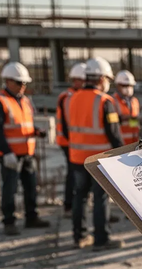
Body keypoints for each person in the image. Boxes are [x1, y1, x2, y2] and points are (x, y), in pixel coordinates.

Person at [67, 57, 125, 251]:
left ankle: (79, 236)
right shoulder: (105, 101)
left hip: (76, 158)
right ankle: (101, 239)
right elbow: (114, 134)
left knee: (80, 197)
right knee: (100, 199)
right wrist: (122, 156)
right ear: (101, 79)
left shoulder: (72, 97)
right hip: (97, 161)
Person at [0, 61, 50, 236]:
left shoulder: (24, 101)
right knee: (10, 189)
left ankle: (31, 217)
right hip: (11, 155)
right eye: (19, 82)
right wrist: (6, 153)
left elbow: (24, 126)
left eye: (24, 83)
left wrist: (37, 132)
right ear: (7, 81)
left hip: (27, 154)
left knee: (31, 187)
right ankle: (9, 222)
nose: (23, 86)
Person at [56, 62, 86, 218]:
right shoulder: (68, 97)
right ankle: (69, 206)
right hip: (69, 143)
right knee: (74, 176)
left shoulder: (73, 96)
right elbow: (69, 124)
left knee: (77, 176)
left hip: (74, 142)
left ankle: (72, 206)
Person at [113, 70, 140, 144]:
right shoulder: (112, 101)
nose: (128, 88)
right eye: (125, 85)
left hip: (134, 142)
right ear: (118, 85)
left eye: (130, 86)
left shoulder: (135, 101)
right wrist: (121, 118)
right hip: (119, 143)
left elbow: (134, 122)